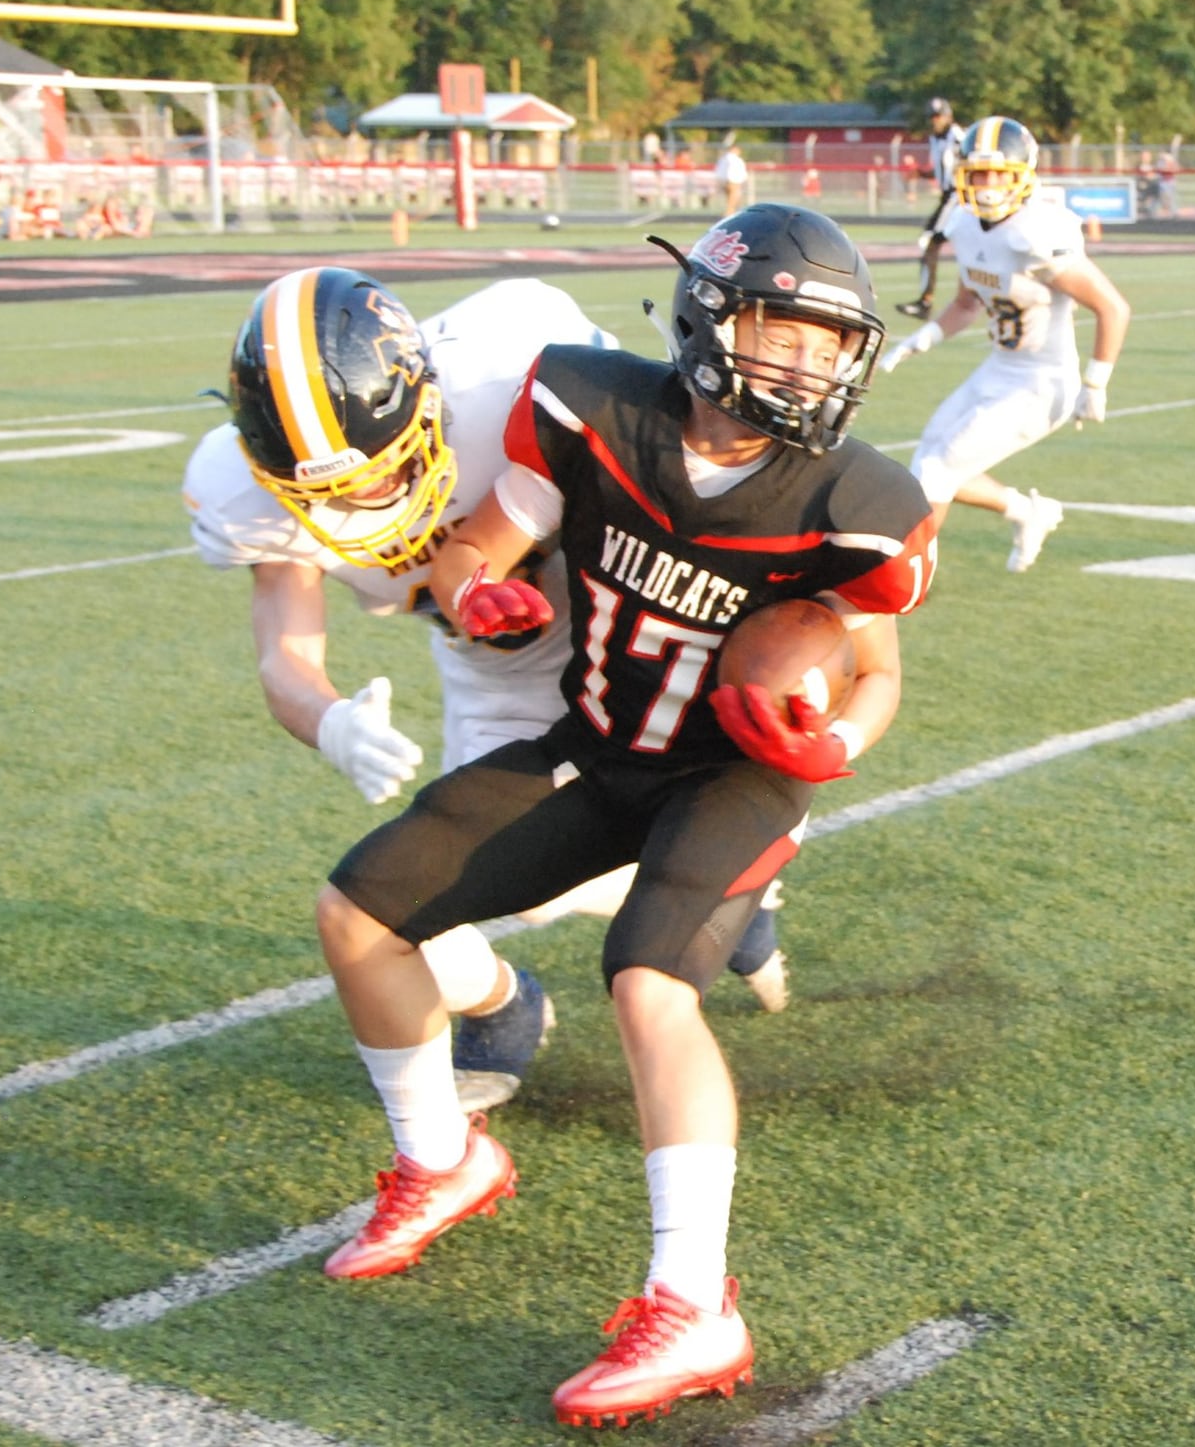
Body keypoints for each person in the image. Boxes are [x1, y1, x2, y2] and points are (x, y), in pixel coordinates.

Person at [310, 204, 938, 1427]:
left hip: (737, 775)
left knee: (646, 981)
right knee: (359, 913)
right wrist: (477, 589)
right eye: (784, 331)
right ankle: (443, 1160)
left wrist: (833, 740)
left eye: (829, 344)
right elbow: (473, 545)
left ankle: (693, 1301)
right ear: (711, 316)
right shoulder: (593, 409)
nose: (809, 364)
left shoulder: (855, 497)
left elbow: (880, 673)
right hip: (599, 751)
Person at [182, 272, 791, 1105]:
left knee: (666, 792)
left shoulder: (510, 361)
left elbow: (664, 453)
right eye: (327, 492)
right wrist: (330, 723)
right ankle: (512, 1001)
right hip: (491, 656)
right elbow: (283, 657)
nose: (366, 502)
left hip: (613, 602)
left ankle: (720, 883)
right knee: (434, 888)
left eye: (382, 468)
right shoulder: (243, 488)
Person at [880, 116, 1132, 573]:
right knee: (928, 460)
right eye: (979, 173)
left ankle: (903, 575)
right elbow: (966, 303)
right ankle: (1028, 512)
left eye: (1001, 174)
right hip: (999, 369)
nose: (989, 185)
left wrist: (1095, 385)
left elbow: (1112, 307)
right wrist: (924, 337)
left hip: (1043, 383)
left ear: (1024, 176)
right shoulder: (965, 223)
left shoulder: (1035, 233)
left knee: (936, 470)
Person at [896, 96, 965, 320]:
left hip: (958, 197)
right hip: (948, 197)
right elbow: (940, 171)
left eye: (939, 116)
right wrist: (921, 173)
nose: (935, 121)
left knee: (930, 242)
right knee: (936, 245)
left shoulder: (958, 137)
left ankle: (926, 302)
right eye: (932, 117)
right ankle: (926, 301)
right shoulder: (935, 140)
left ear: (948, 116)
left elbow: (969, 161)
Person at [713, 138, 748, 216]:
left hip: (725, 181)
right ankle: (729, 214)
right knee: (733, 200)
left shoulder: (723, 158)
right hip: (733, 181)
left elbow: (718, 171)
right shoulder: (735, 159)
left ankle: (732, 213)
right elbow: (737, 172)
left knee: (731, 199)